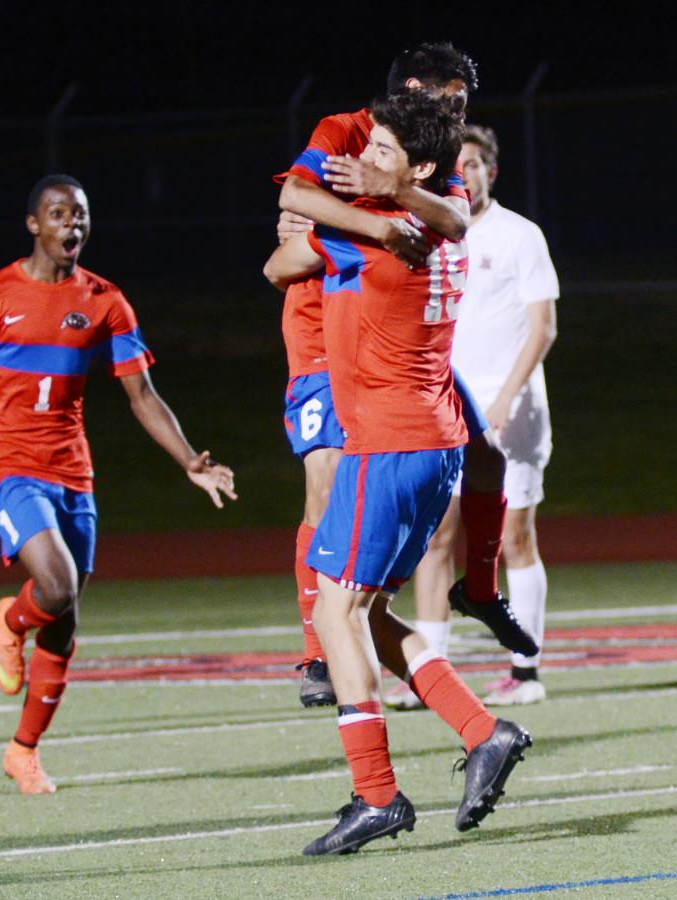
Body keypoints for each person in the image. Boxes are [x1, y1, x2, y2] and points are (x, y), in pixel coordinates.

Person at [264, 91, 531, 856]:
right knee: (370, 617)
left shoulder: (385, 238)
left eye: (378, 151)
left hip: (386, 442)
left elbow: (278, 262)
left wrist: (326, 216)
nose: (359, 160)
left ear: (415, 166)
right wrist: (370, 202)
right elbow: (438, 217)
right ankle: (485, 731)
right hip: (425, 442)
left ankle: (376, 795)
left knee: (334, 616)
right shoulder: (430, 216)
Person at [0, 175, 236, 794]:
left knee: (65, 618)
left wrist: (189, 459)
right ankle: (11, 621)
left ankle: (24, 750)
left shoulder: (106, 301)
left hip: (72, 471)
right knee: (54, 588)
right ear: (34, 224)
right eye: (59, 214)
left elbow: (141, 394)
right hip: (8, 465)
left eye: (81, 215)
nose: (72, 225)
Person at [408, 125, 558, 707]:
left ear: (489, 172)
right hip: (446, 409)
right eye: (454, 164)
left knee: (516, 537)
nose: (463, 174)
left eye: (473, 164)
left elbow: (543, 328)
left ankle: (526, 672)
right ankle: (431, 675)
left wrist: (503, 398)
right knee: (436, 537)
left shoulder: (520, 236)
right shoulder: (434, 235)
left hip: (511, 409)